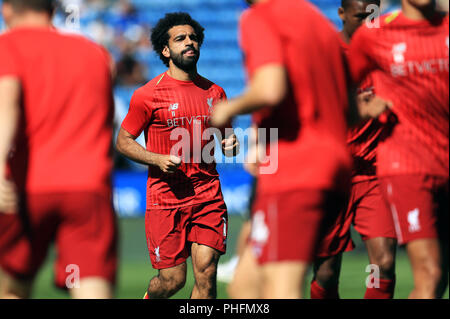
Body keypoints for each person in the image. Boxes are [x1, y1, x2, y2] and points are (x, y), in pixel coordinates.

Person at [211, 0, 355, 299]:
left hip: (296, 168)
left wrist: (227, 109)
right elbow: (351, 107)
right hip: (332, 166)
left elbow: (270, 88)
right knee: (244, 289)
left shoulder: (260, 17)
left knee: (280, 289)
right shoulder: (319, 22)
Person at [116, 12, 238, 299]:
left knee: (206, 274)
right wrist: (156, 159)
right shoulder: (147, 95)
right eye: (181, 38)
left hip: (207, 194)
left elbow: (225, 136)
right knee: (172, 281)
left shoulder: (215, 92)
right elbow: (123, 142)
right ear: (166, 50)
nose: (189, 43)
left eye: (194, 38)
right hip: (166, 198)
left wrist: (230, 143)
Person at [0, 0, 117, 299]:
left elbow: (7, 104)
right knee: (89, 282)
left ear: (8, 10)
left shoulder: (8, 45)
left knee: (12, 285)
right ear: (52, 10)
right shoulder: (95, 53)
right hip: (88, 189)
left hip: (27, 189)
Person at [349, 0, 449, 298]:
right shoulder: (374, 34)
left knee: (439, 276)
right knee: (428, 274)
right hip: (406, 166)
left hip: (444, 161)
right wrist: (362, 109)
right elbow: (338, 90)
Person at [311, 0, 398, 299]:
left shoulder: (388, 55)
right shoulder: (324, 55)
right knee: (326, 272)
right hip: (331, 175)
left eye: (374, 17)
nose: (367, 23)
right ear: (342, 14)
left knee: (384, 263)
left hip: (375, 174)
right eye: (361, 16)